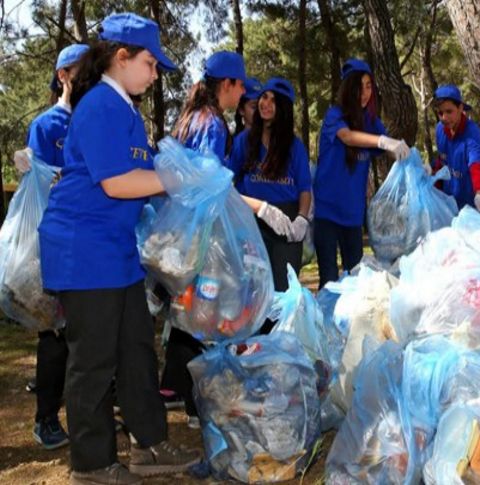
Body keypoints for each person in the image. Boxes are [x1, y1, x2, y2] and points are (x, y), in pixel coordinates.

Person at [37, 13, 200, 484]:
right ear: (120, 57)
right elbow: (115, 182)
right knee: (94, 361)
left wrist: (179, 177)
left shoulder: (123, 106)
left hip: (116, 252)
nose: (154, 74)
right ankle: (91, 464)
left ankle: (148, 443)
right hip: (84, 251)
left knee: (135, 350)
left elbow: (144, 179)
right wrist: (176, 179)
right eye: (150, 63)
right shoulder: (100, 107)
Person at [163, 50, 248, 428]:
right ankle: (202, 405)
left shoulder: (190, 118)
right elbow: (209, 186)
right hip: (203, 236)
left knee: (186, 316)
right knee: (207, 316)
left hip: (181, 234)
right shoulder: (213, 124)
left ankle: (187, 397)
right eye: (240, 84)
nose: (243, 91)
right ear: (226, 85)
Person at [11, 43, 88, 452]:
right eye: (80, 70)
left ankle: (83, 410)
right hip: (55, 240)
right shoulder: (47, 124)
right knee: (55, 332)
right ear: (63, 76)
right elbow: (39, 186)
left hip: (90, 240)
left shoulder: (95, 120)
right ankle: (46, 418)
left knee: (85, 329)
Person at [312, 58, 409, 288]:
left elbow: (390, 149)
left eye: (368, 86)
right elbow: (347, 136)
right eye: (359, 87)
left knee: (356, 280)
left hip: (353, 215)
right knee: (329, 279)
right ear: (348, 89)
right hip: (327, 212)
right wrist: (384, 141)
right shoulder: (334, 116)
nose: (365, 93)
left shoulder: (371, 122)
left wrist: (411, 160)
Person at [228, 77, 311, 292]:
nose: (266, 104)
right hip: (252, 222)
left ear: (283, 108)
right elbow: (227, 183)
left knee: (283, 288)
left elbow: (304, 188)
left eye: (274, 100)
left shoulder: (294, 146)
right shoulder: (243, 142)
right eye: (264, 97)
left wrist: (301, 218)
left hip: (286, 221)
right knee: (254, 290)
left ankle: (282, 327)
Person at [432, 84, 480, 217]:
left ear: (460, 108)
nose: (444, 118)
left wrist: (479, 193)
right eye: (440, 113)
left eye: (449, 111)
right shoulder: (439, 130)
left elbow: (477, 165)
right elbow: (442, 161)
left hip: (473, 205)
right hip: (449, 205)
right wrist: (432, 173)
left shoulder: (472, 132)